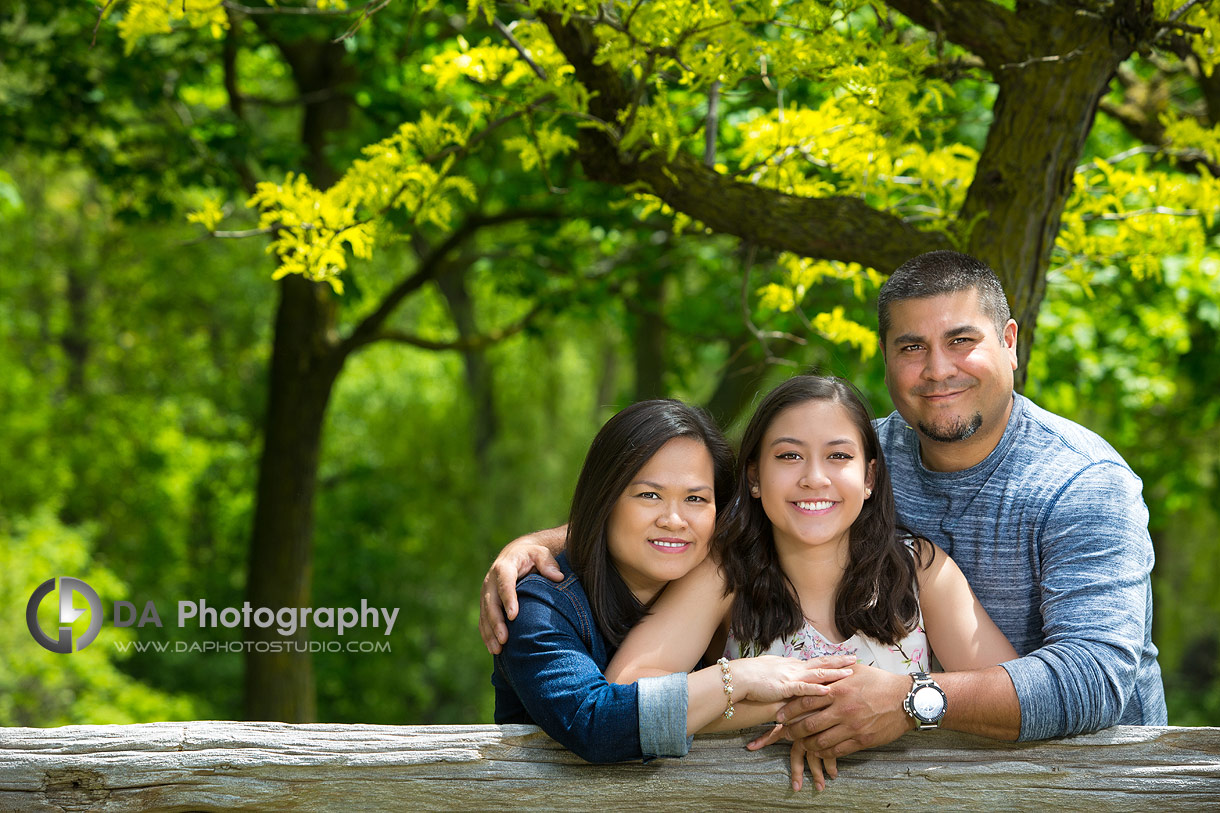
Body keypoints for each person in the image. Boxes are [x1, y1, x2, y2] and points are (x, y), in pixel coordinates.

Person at [481, 250, 1166, 762]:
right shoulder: (854, 460)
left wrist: (904, 702)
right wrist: (540, 541)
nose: (937, 369)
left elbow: (1093, 679)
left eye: (962, 340)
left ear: (1010, 342)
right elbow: (682, 518)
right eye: (911, 346)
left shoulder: (1081, 485)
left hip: (1091, 774)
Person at [603, 376, 1017, 790]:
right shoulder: (725, 574)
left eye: (838, 455)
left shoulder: (920, 569)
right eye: (788, 456)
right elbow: (625, 687)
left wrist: (902, 704)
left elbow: (1012, 694)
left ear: (869, 476)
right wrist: (789, 703)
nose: (814, 478)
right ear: (754, 477)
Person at [492, 398, 855, 764]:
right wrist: (739, 678)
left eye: (696, 498)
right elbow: (596, 724)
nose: (675, 520)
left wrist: (796, 702)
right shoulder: (539, 609)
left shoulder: (720, 589)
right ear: (604, 500)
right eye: (650, 495)